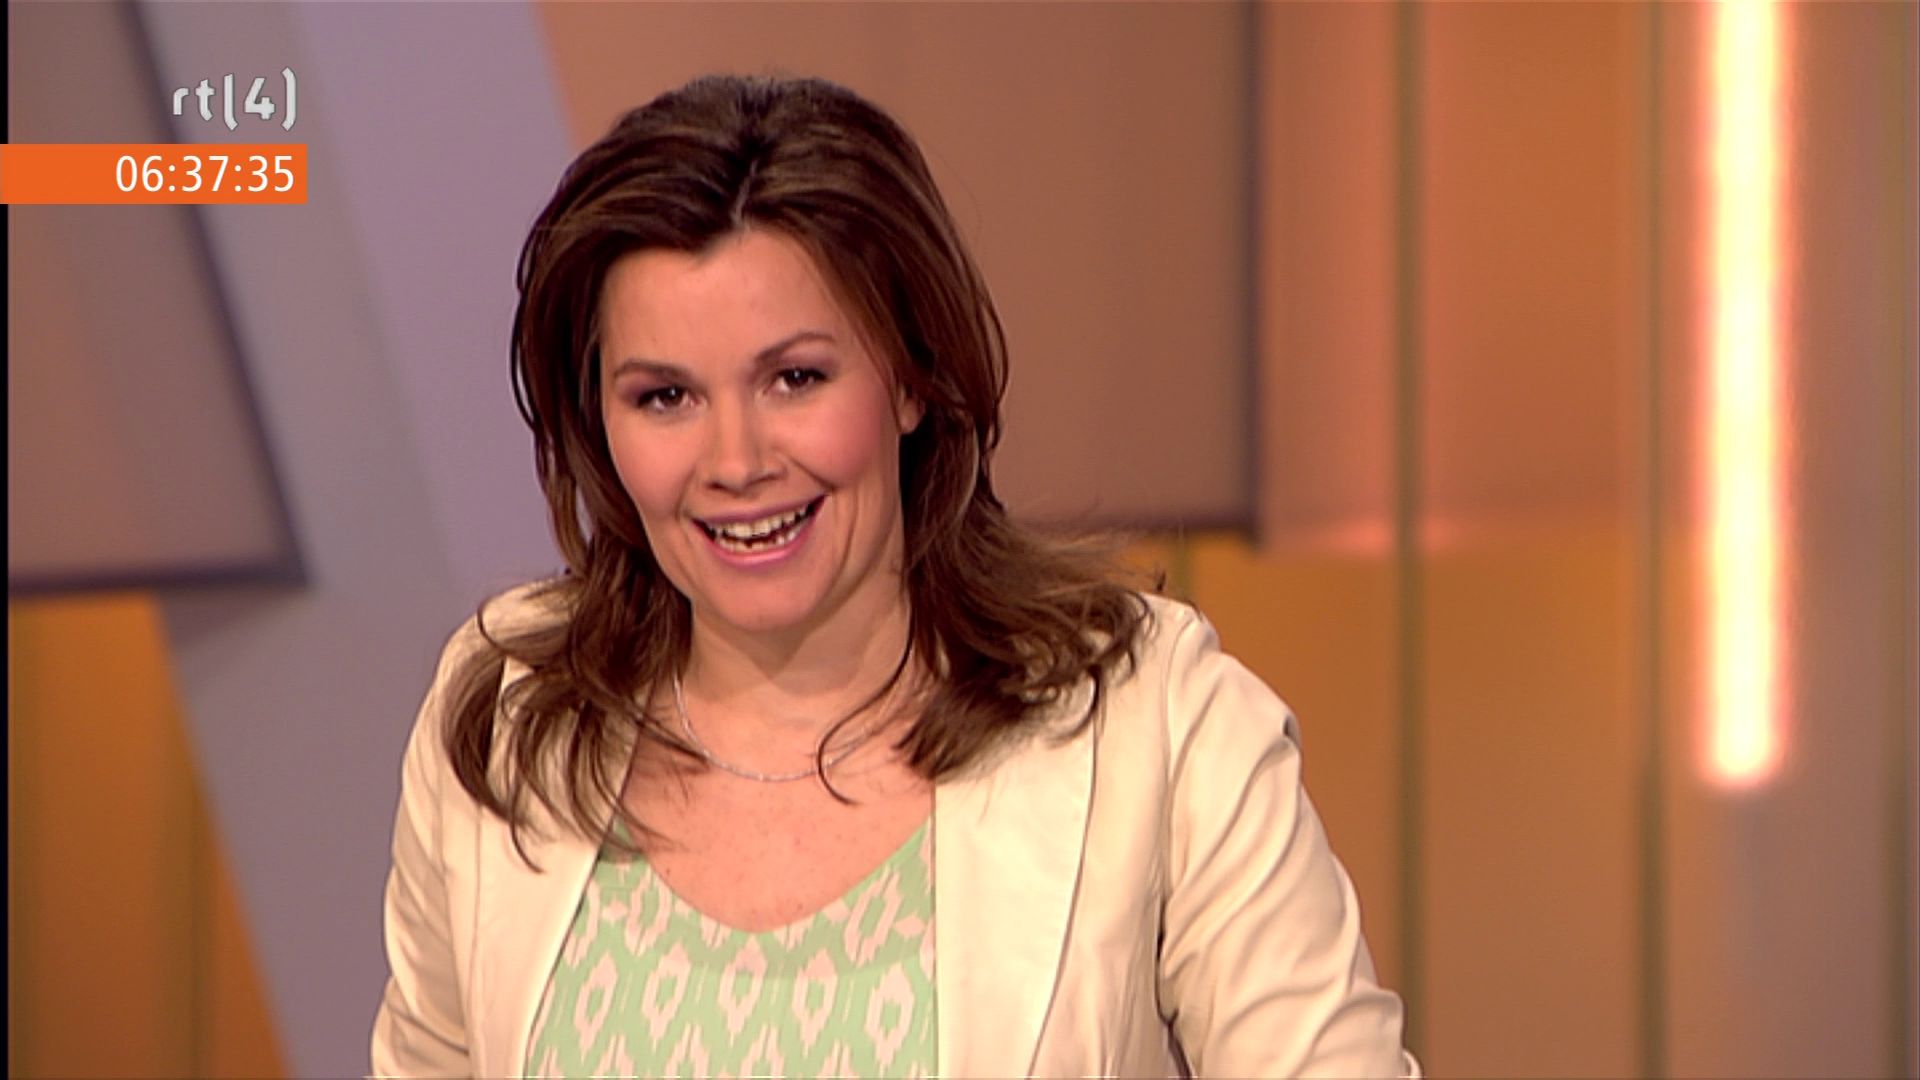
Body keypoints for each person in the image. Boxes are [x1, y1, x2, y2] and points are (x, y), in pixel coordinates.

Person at [371, 73, 1416, 1079]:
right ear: (597, 421)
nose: (735, 461)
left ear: (911, 379)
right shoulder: (507, 716)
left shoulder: (1154, 724)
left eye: (796, 378)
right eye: (664, 398)